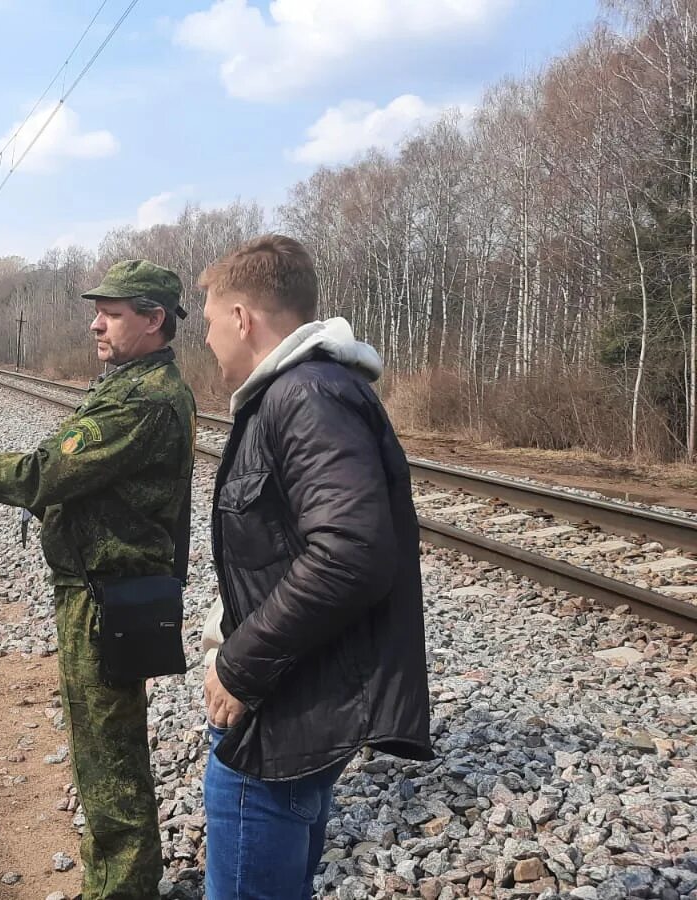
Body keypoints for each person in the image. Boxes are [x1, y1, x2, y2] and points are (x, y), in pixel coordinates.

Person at [0, 259, 196, 899]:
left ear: (153, 318)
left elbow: (43, 473)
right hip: (98, 590)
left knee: (109, 760)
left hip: (109, 601)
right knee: (96, 749)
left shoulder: (144, 400)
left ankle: (122, 891)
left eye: (110, 314)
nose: (95, 323)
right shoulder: (128, 384)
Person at [195, 234, 432, 900]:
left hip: (275, 719)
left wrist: (240, 665)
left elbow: (351, 550)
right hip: (291, 703)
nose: (208, 339)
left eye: (212, 322)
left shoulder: (305, 396)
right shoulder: (302, 392)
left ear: (242, 319)